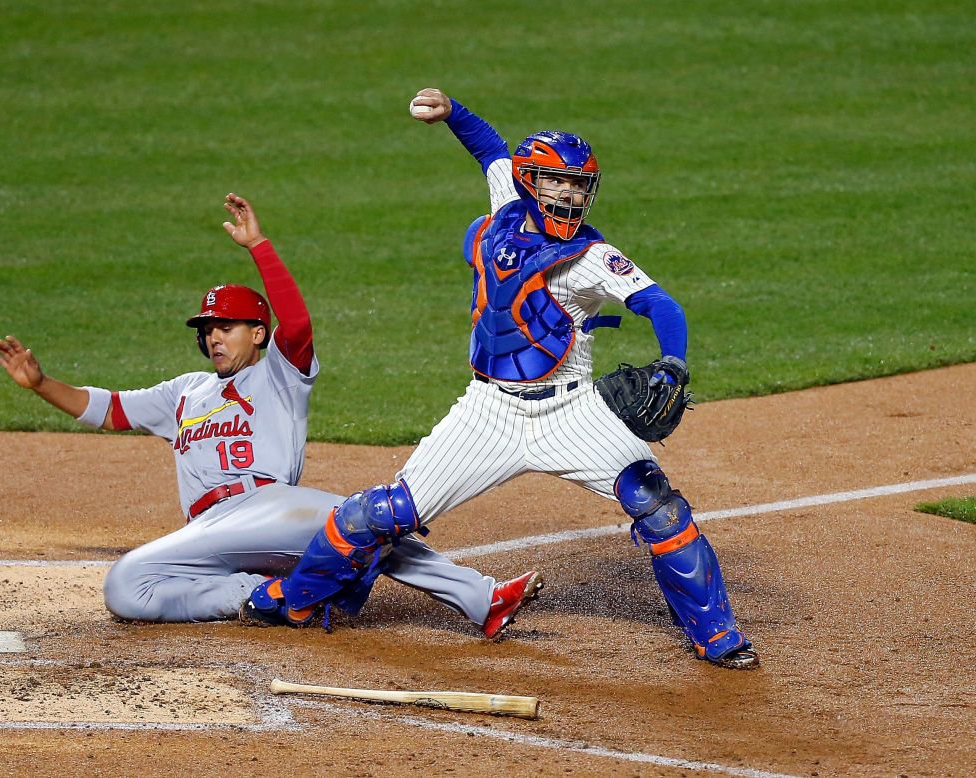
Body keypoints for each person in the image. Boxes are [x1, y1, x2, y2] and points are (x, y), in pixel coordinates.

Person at [240, 93, 758, 669]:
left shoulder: (592, 257)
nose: (571, 197)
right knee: (379, 515)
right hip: (488, 412)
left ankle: (718, 636)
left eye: (581, 187)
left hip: (572, 414)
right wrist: (451, 111)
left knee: (660, 508)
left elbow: (662, 306)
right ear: (529, 182)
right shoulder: (507, 200)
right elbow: (489, 148)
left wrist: (674, 362)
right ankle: (298, 600)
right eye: (558, 184)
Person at [0, 192, 539, 637]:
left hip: (270, 508)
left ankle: (482, 599)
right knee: (126, 586)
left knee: (370, 527)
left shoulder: (279, 373)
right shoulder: (184, 392)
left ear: (257, 333)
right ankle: (270, 598)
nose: (213, 337)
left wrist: (259, 247)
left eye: (225, 326)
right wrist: (41, 384)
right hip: (210, 533)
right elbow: (106, 409)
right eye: (207, 330)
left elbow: (297, 325)